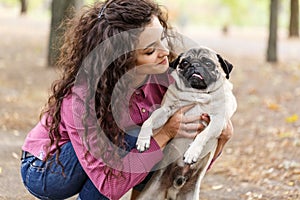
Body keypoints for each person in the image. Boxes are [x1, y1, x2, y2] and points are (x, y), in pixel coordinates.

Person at [20, 0, 233, 200]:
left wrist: (219, 139)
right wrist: (166, 133)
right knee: (137, 137)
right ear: (122, 59)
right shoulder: (83, 99)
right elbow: (109, 184)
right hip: (47, 169)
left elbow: (181, 162)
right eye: (150, 50)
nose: (166, 52)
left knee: (147, 139)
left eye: (164, 38)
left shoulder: (167, 81)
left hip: (106, 156)